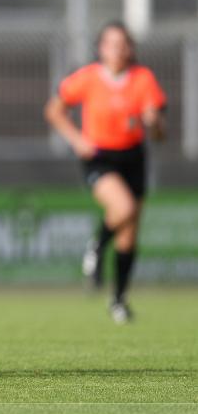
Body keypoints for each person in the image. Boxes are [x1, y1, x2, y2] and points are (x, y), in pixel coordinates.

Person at [44, 21, 166, 324]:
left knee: (128, 235)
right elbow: (54, 110)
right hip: (100, 157)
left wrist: (153, 123)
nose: (118, 50)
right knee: (123, 208)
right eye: (112, 44)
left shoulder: (143, 79)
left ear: (131, 48)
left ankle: (119, 300)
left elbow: (159, 134)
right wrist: (76, 140)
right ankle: (97, 247)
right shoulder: (87, 78)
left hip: (133, 157)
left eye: (123, 44)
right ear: (101, 48)